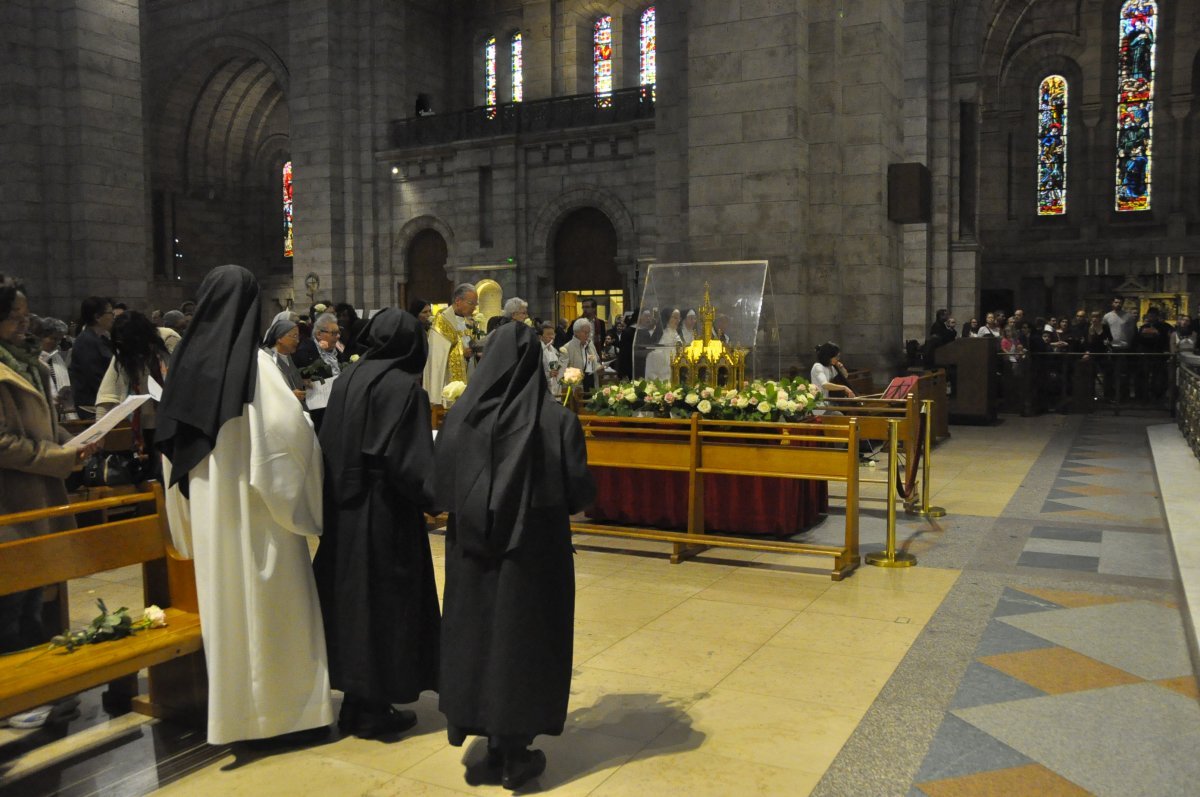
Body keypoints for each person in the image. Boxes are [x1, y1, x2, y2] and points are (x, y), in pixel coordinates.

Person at [157, 265, 332, 745]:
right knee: (274, 614)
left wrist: (185, 526)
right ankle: (287, 717)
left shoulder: (185, 366)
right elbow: (286, 441)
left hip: (215, 516)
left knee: (229, 613)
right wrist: (309, 504)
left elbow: (169, 449)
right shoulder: (254, 369)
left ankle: (233, 718)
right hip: (261, 516)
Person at [433, 322, 595, 791]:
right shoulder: (557, 420)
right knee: (525, 642)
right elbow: (578, 491)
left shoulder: (461, 419)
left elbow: (438, 487)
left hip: (472, 557)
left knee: (476, 635)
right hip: (533, 558)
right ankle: (515, 749)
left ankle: (486, 734)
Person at [313, 309, 440, 738]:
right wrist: (438, 498)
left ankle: (356, 700)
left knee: (353, 604)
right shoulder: (404, 387)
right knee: (386, 605)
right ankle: (373, 708)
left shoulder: (348, 378)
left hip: (342, 510)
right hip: (385, 514)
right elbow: (410, 463)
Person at [0, 274, 97, 728]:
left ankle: (39, 685)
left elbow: (46, 423)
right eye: (16, 318)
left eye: (25, 315)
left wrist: (75, 443)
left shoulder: (27, 364)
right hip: (9, 500)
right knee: (11, 600)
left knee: (34, 595)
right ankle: (15, 697)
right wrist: (58, 457)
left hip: (38, 493)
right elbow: (3, 443)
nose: (26, 324)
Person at [95, 310, 170, 459]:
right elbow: (108, 394)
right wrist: (99, 433)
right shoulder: (124, 353)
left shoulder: (168, 340)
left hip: (171, 420)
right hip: (145, 425)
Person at [423, 283, 479, 405]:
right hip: (447, 381)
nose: (474, 308)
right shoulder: (442, 323)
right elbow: (437, 357)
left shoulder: (466, 321)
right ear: (458, 301)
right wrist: (461, 353)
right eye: (471, 303)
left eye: (475, 304)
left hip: (468, 374)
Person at [67, 296, 114, 418]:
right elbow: (94, 376)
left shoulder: (101, 339)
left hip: (104, 401)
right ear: (97, 317)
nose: (113, 316)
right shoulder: (86, 341)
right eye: (110, 312)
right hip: (93, 406)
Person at [32, 316, 75, 420]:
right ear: (41, 337)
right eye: (53, 338)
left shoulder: (56, 357)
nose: (56, 343)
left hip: (58, 411)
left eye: (59, 340)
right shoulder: (32, 359)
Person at [262, 315, 307, 403]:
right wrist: (290, 395)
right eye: (294, 336)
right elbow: (265, 391)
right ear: (280, 338)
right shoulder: (267, 359)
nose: (297, 341)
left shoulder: (288, 355)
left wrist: (303, 383)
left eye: (298, 337)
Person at [645, 307, 681, 382]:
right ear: (667, 318)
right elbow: (656, 356)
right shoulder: (663, 334)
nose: (677, 320)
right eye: (674, 317)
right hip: (662, 374)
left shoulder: (676, 333)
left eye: (678, 318)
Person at [539, 322, 561, 396]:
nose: (552, 337)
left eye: (553, 334)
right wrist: (548, 374)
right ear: (540, 336)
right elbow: (534, 372)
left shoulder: (554, 350)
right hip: (543, 387)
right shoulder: (538, 351)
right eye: (548, 334)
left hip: (555, 386)